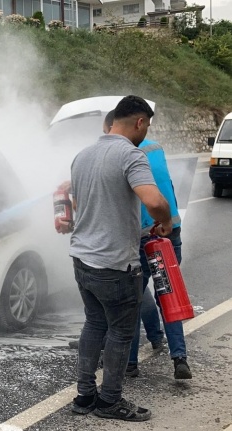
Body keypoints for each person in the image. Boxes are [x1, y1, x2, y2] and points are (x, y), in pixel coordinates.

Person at [60, 96, 173, 422]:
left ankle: (84, 396)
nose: (146, 131)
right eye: (147, 125)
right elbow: (152, 201)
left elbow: (83, 207)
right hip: (115, 265)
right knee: (121, 333)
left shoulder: (82, 156)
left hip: (82, 259)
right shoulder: (131, 155)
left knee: (94, 324)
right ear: (139, 122)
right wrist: (163, 219)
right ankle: (109, 401)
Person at [100, 111, 192, 380]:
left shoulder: (123, 155)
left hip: (144, 236)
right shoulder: (156, 147)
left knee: (132, 301)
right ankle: (179, 358)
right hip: (171, 233)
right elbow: (169, 187)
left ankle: (129, 363)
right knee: (168, 296)